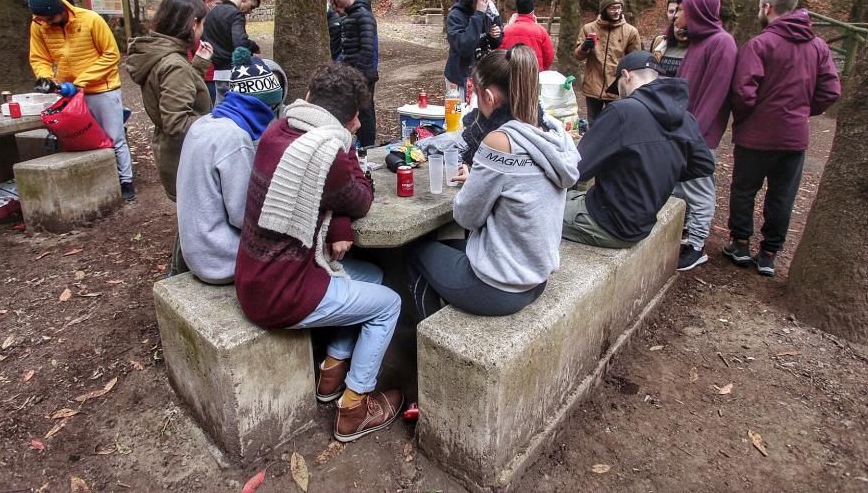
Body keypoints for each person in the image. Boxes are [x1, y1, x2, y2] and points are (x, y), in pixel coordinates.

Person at [234, 62, 403, 443]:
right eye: (356, 121)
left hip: (255, 274)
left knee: (371, 276)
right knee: (389, 304)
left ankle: (332, 369)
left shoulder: (279, 129)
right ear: (353, 119)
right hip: (283, 292)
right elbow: (361, 198)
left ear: (309, 97)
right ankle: (354, 406)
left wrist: (338, 222)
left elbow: (327, 199)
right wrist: (350, 148)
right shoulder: (329, 152)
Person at [409, 46, 580, 319]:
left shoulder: (501, 141)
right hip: (535, 276)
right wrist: (478, 176)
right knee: (448, 248)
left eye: (476, 94)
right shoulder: (552, 131)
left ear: (488, 96)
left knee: (412, 250)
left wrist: (475, 179)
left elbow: (467, 216)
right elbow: (520, 183)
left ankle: (418, 339)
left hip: (497, 287)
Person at [724, 0, 841, 277]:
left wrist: (749, 114)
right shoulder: (818, 46)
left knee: (744, 189)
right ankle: (768, 253)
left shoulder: (760, 44)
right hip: (793, 136)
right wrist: (803, 109)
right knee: (782, 195)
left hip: (757, 134)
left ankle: (740, 243)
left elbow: (742, 89)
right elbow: (830, 90)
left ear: (767, 8)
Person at [563, 50, 714, 249]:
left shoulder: (622, 111)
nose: (618, 93)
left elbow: (576, 169)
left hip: (607, 223)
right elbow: (703, 165)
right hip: (641, 222)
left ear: (626, 75)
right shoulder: (685, 117)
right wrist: (659, 172)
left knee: (529, 208)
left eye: (617, 86)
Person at [175, 47, 286, 284]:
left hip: (195, 248)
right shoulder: (235, 139)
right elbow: (244, 214)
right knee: (296, 246)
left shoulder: (204, 124)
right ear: (264, 107)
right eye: (273, 108)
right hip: (219, 258)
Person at [27, 0, 136, 201]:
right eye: (43, 19)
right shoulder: (39, 25)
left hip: (102, 88)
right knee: (81, 138)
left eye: (50, 18)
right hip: (69, 94)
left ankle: (126, 181)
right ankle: (95, 179)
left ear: (59, 9)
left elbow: (111, 55)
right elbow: (39, 57)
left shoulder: (90, 20)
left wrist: (80, 82)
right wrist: (46, 77)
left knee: (114, 137)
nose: (47, 23)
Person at [124, 0, 213, 200]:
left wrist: (198, 65)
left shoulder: (160, 54)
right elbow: (177, 122)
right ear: (193, 23)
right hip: (183, 157)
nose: (203, 29)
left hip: (171, 152)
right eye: (202, 24)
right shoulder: (174, 65)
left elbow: (175, 90)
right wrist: (218, 122)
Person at [672, 0, 738, 271]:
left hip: (698, 135)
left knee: (699, 186)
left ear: (697, 11)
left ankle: (697, 244)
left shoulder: (722, 43)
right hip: (682, 129)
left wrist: (693, 134)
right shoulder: (698, 42)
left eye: (683, 9)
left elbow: (716, 94)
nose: (678, 14)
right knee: (677, 185)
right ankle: (678, 234)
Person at [574, 0, 642, 121]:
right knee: (593, 124)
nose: (617, 11)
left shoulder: (630, 31)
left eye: (619, 7)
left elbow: (635, 60)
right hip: (593, 86)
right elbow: (578, 56)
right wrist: (584, 47)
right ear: (604, 9)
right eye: (612, 8)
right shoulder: (588, 29)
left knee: (614, 124)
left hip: (617, 88)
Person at [331, 0, 379, 147]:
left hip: (363, 76)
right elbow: (348, 50)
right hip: (352, 75)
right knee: (355, 112)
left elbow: (367, 50)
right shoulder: (349, 16)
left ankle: (369, 148)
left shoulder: (364, 16)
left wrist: (358, 77)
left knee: (365, 114)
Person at [445, 0, 503, 103]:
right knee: (459, 115)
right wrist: (479, 14)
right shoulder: (456, 16)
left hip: (482, 76)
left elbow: (496, 43)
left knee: (479, 116)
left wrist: (495, 35)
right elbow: (464, 47)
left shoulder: (489, 11)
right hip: (459, 80)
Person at [202, 0, 261, 99]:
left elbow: (205, 38)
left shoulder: (212, 12)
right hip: (234, 74)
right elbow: (240, 43)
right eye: (251, 7)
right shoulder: (236, 14)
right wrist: (254, 46)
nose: (250, 11)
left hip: (217, 73)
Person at [498, 0, 554, 70]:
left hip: (510, 74)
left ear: (517, 11)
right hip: (533, 74)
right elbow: (549, 57)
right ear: (532, 11)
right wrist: (541, 69)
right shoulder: (541, 31)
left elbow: (499, 53)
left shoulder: (506, 30)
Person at [650, 0, 689, 77]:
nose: (675, 15)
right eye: (671, 11)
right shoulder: (659, 42)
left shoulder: (699, 47)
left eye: (679, 10)